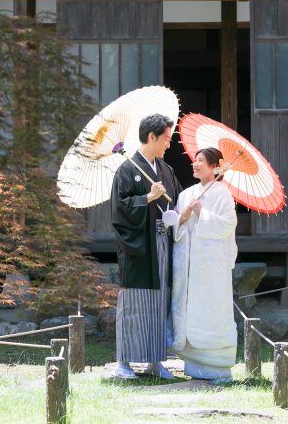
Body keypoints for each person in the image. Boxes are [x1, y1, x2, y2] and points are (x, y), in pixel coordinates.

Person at [110, 113, 183, 380]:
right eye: (166, 138)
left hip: (162, 242)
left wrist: (179, 214)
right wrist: (146, 198)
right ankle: (124, 363)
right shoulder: (127, 170)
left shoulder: (166, 170)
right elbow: (119, 211)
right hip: (139, 246)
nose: (168, 144)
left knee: (159, 301)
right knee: (135, 303)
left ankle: (155, 360)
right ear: (151, 137)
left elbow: (176, 200)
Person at [169, 147, 239, 383]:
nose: (195, 164)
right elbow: (177, 227)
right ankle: (194, 364)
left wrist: (203, 213)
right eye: (194, 160)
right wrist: (184, 218)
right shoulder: (186, 193)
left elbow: (228, 225)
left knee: (212, 311)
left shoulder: (223, 194)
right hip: (191, 264)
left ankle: (217, 367)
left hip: (212, 268)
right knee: (192, 309)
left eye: (201, 161)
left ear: (214, 167)